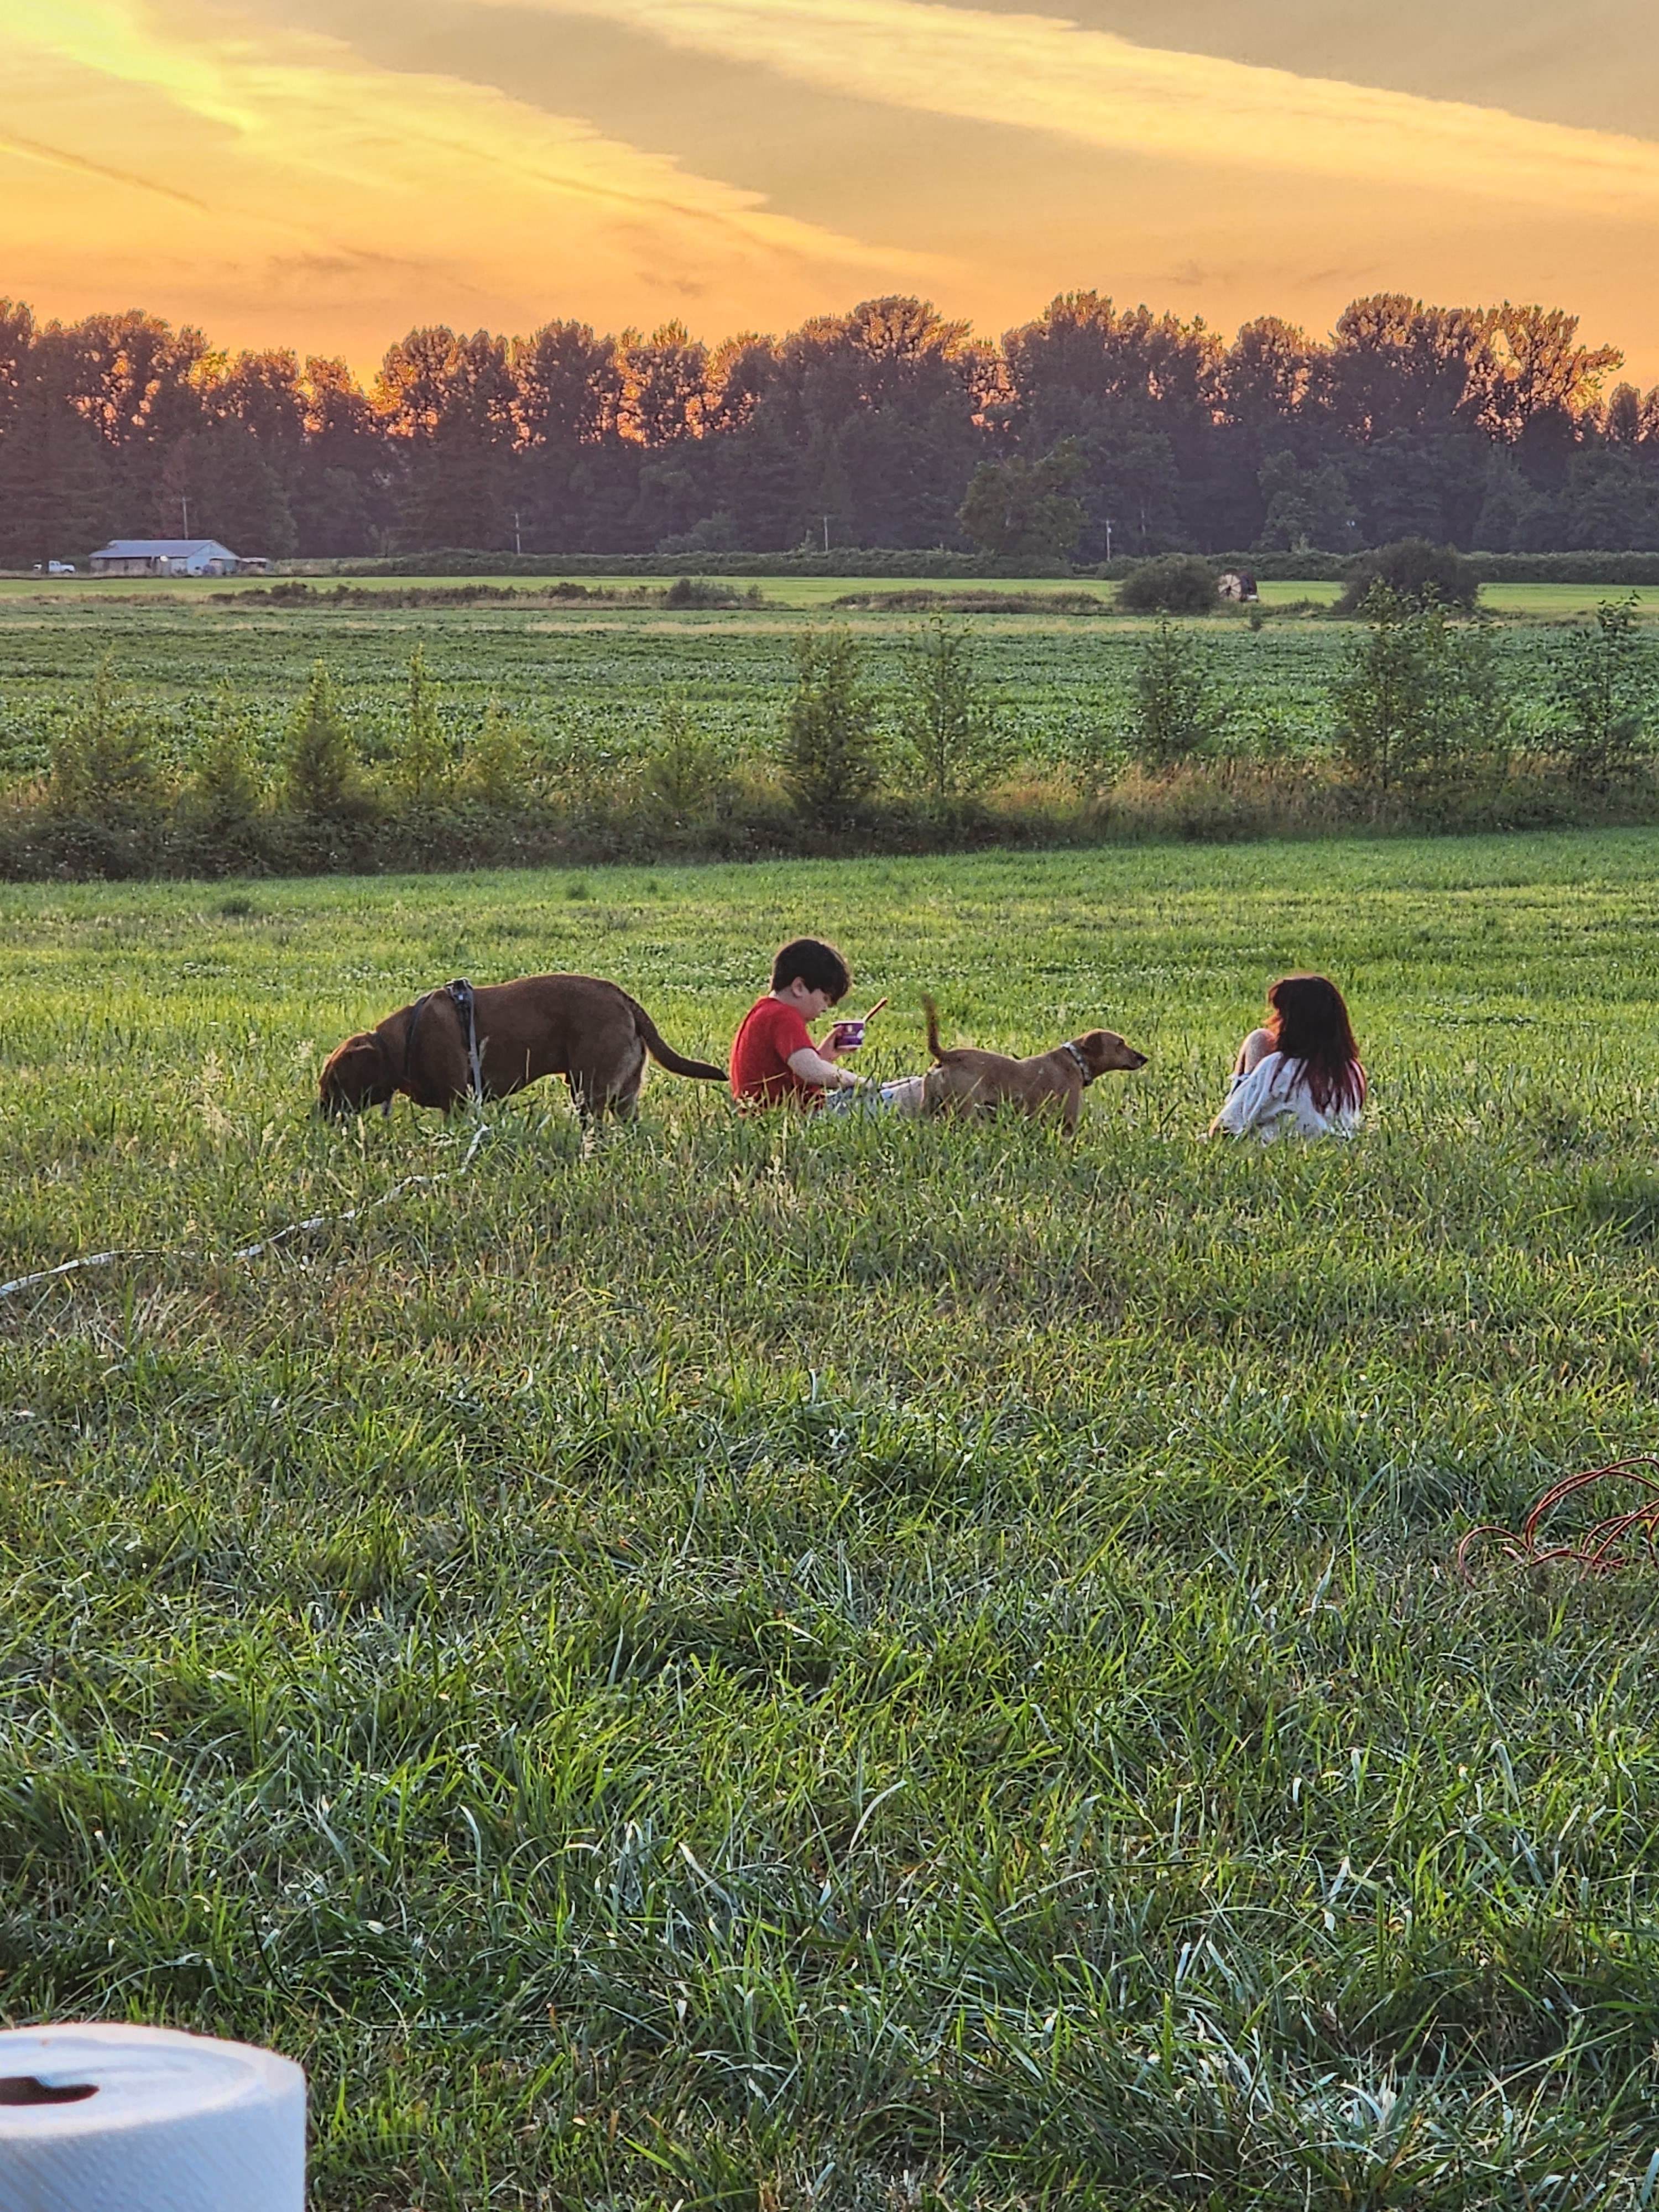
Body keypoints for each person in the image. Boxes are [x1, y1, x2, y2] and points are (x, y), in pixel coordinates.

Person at [729, 937, 923, 1114]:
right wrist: (857, 1081)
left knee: (909, 1084)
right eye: (825, 999)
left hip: (787, 1111)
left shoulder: (763, 1012)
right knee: (918, 1091)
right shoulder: (783, 1016)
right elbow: (812, 1071)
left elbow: (795, 1072)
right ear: (799, 987)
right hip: (806, 1117)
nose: (825, 1009)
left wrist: (824, 1055)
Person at [1209, 973, 1365, 1141]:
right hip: (1330, 1144)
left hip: (1274, 1144)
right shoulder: (1352, 1072)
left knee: (1259, 1039)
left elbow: (1223, 1130)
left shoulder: (1277, 1068)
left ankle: (1242, 1092)